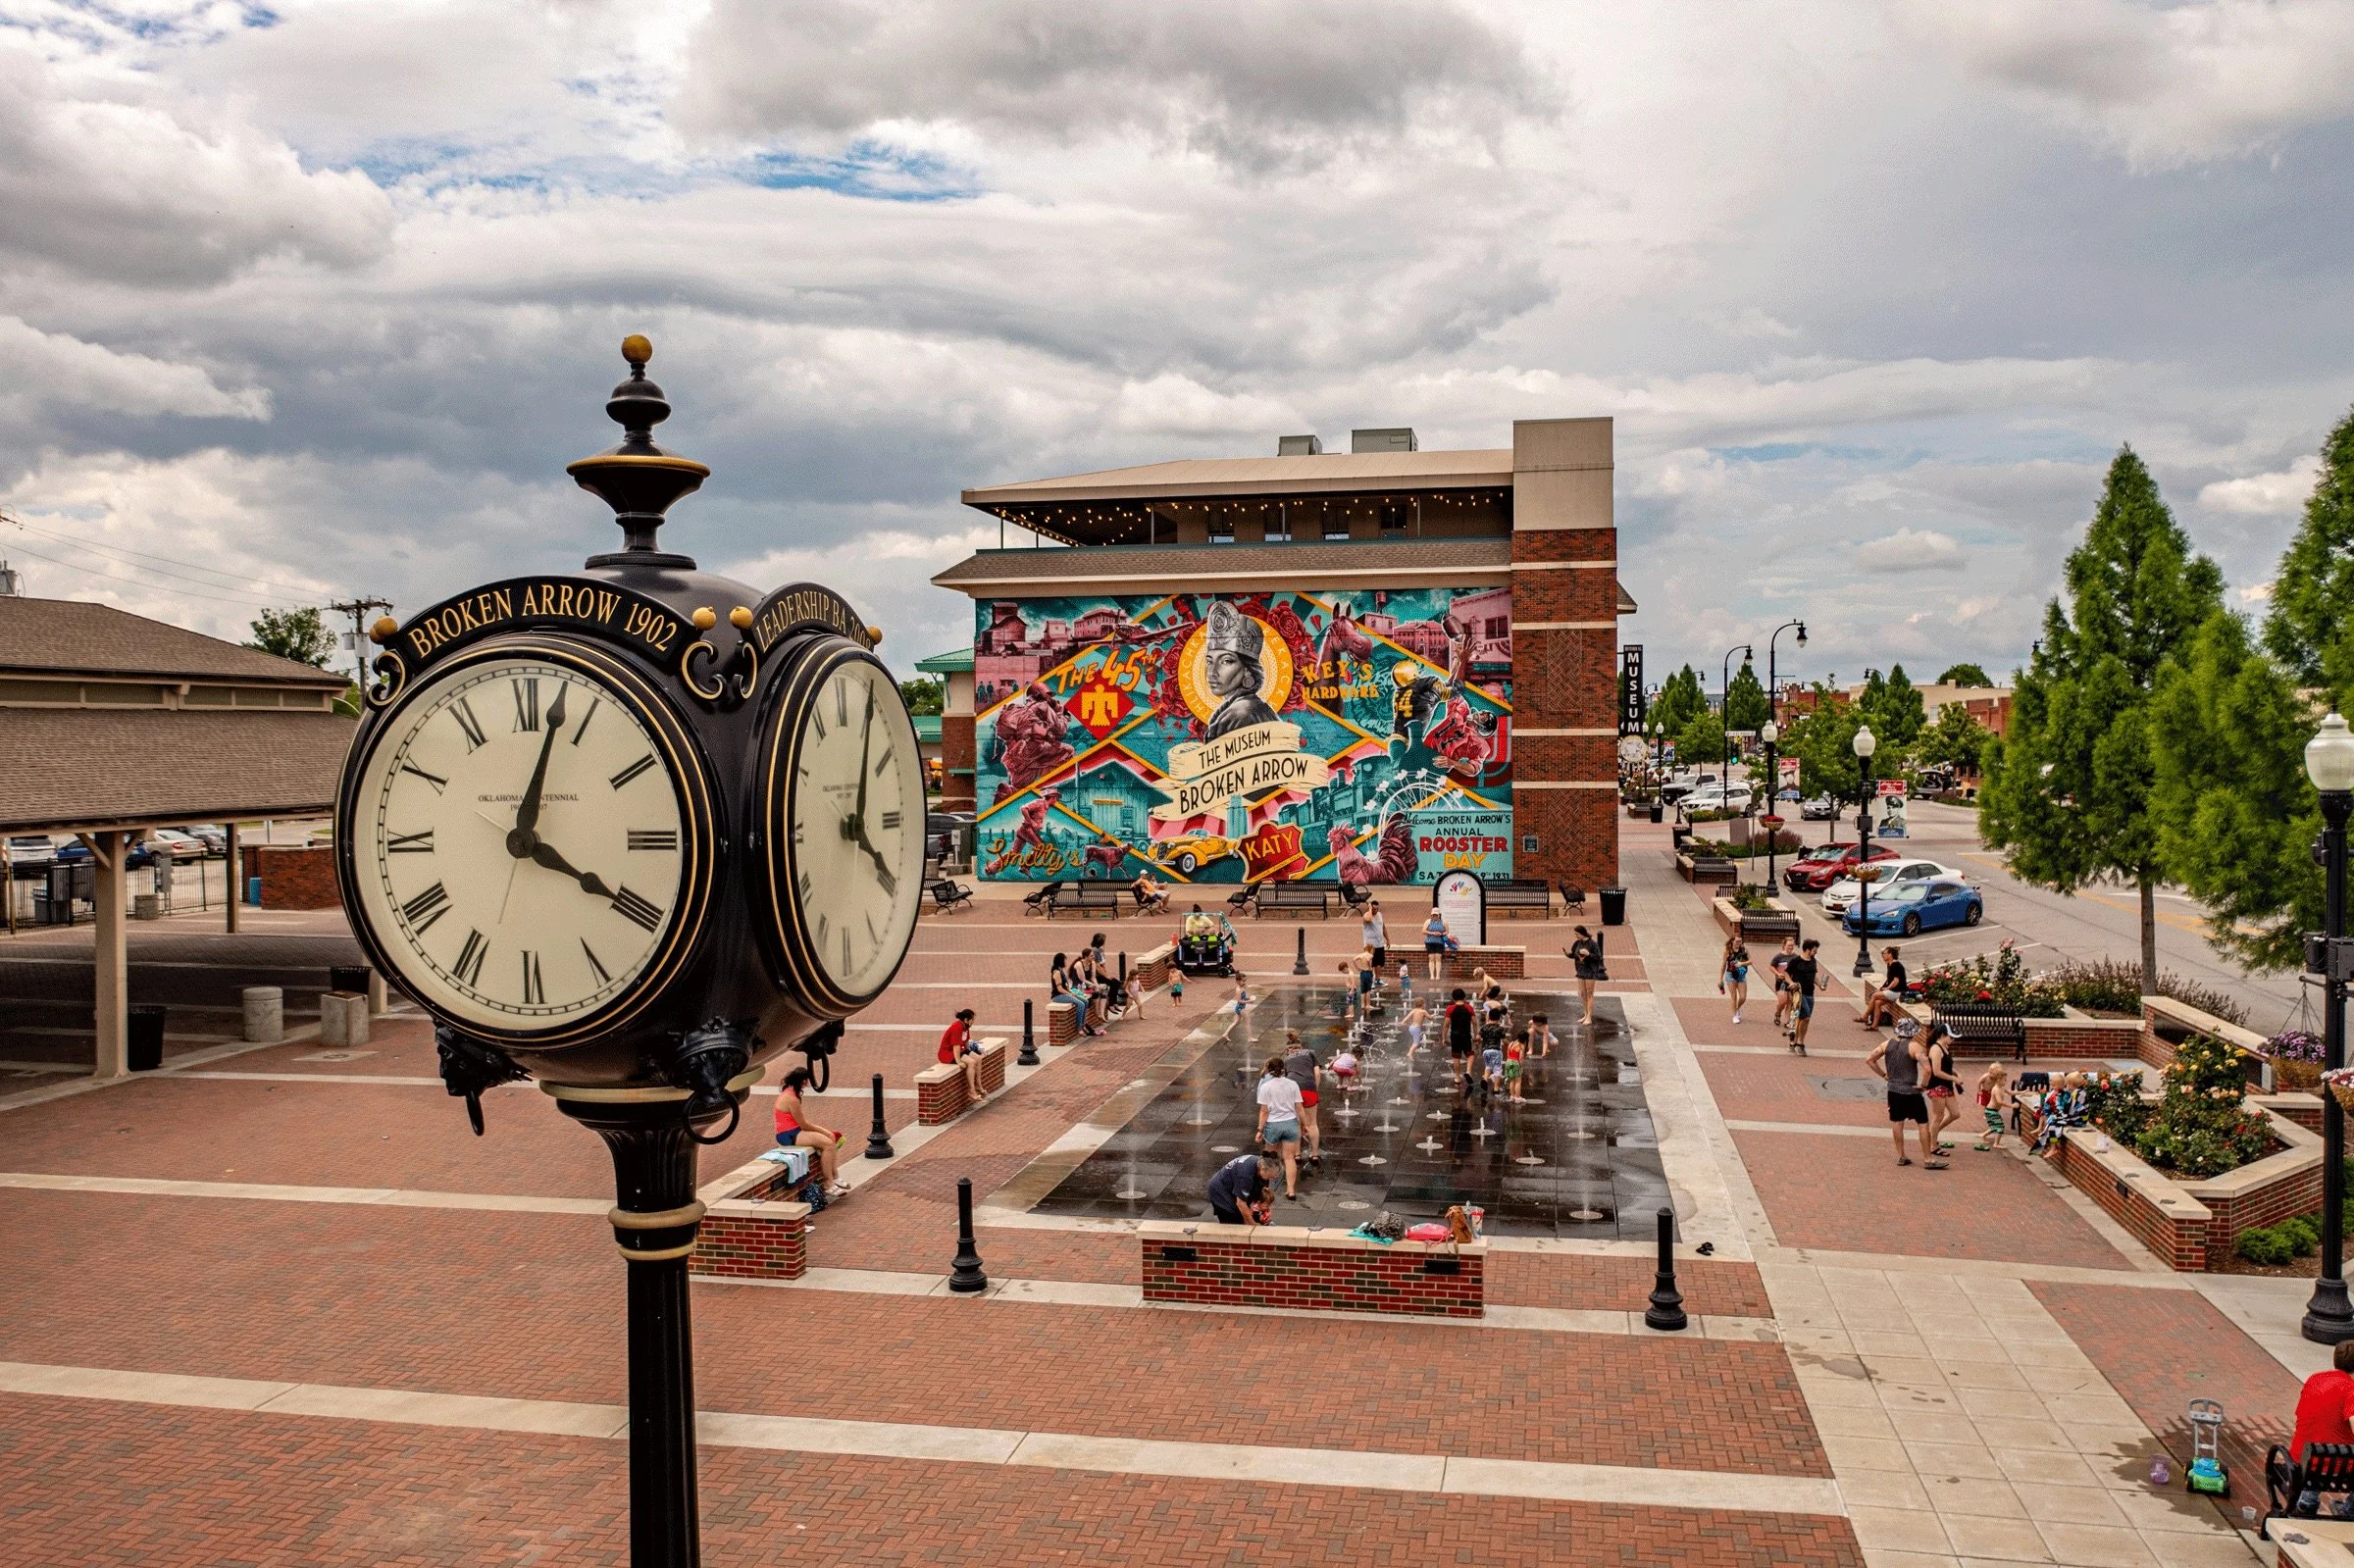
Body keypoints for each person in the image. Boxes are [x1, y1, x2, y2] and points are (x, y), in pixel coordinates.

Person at [1867, 1019, 1943, 1169]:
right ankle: (1928, 1159)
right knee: (1922, 1123)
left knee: (1897, 1122)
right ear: (1913, 1032)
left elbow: (1870, 1060)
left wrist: (1884, 1075)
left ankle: (1902, 1155)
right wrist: (1923, 1085)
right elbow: (1928, 1069)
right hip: (1911, 1090)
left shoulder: (1887, 1044)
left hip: (1893, 1089)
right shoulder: (1915, 1047)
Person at [2291, 1341, 2354, 1516]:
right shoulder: (2351, 1389)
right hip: (2337, 1466)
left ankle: (2307, 1500)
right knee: (2335, 1455)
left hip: (2301, 1456)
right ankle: (2350, 1510)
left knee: (2321, 1448)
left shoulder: (2315, 1379)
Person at [774, 1066, 850, 1195]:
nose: (806, 1084)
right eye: (805, 1081)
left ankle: (835, 1176)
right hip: (788, 1135)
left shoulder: (791, 1092)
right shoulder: (791, 1099)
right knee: (827, 1144)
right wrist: (824, 1131)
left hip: (794, 1131)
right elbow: (804, 1124)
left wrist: (826, 1133)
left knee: (830, 1140)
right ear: (801, 1081)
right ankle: (828, 1182)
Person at [1254, 1053, 1305, 1199]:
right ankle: (1290, 1190)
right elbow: (1299, 1107)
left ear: (1269, 1069)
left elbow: (1264, 1111)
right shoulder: (1293, 1084)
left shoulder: (1266, 1086)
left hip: (1273, 1125)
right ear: (1283, 1069)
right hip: (1290, 1123)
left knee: (1270, 1158)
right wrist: (1305, 1124)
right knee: (1289, 1158)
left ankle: (1267, 1187)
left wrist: (1260, 1130)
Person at [1281, 1029, 1324, 1170]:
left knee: (1296, 1122)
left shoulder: (1286, 1060)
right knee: (1312, 1123)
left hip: (1293, 1089)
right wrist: (1315, 1089)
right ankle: (1315, 1155)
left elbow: (1286, 1079)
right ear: (1301, 1047)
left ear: (1289, 1050)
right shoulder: (1311, 1053)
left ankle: (1297, 1154)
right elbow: (1317, 1073)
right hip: (1309, 1087)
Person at [1205, 1151, 1279, 1227]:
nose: (1272, 1179)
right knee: (1235, 1223)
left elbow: (1264, 1191)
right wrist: (1253, 1226)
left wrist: (1267, 1208)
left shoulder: (1262, 1165)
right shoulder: (1245, 1175)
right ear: (1262, 1169)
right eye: (1270, 1177)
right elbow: (1241, 1203)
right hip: (1221, 1192)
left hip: (1235, 1184)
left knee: (1247, 1213)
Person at [1921, 1021, 1963, 1152]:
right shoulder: (1936, 1049)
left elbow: (1947, 1066)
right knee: (1938, 1116)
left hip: (1947, 1086)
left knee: (1955, 1113)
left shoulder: (1945, 1047)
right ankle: (1933, 1145)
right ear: (1942, 1035)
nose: (1953, 1040)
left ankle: (1933, 1134)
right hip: (1937, 1086)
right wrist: (1953, 1078)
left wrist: (1956, 1073)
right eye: (1951, 1037)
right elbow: (1937, 1071)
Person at [938, 1007, 987, 1104]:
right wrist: (959, 1061)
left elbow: (966, 1044)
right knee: (971, 1062)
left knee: (978, 1058)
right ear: (966, 1020)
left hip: (960, 1050)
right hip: (947, 1053)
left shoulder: (966, 1027)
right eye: (972, 1020)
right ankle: (972, 1091)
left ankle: (978, 1086)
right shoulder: (957, 1027)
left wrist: (974, 1052)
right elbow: (956, 1046)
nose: (973, 1022)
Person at [1049, 952, 1103, 1037]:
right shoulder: (1057, 972)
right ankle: (1079, 1027)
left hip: (1065, 994)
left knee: (1085, 1001)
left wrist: (1072, 992)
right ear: (1061, 961)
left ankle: (1083, 1024)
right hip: (1058, 996)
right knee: (1080, 1004)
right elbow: (1059, 988)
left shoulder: (1061, 970)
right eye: (1065, 960)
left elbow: (1066, 986)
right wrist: (1070, 994)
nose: (1066, 962)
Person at [1784, 938, 1821, 1055]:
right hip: (1799, 994)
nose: (1816, 952)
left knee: (1802, 1019)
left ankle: (1793, 1042)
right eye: (1814, 950)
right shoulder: (1795, 961)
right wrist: (1791, 982)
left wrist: (1820, 985)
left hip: (1810, 993)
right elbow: (1786, 974)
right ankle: (1800, 1043)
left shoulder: (1813, 961)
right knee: (1806, 1017)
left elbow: (1813, 976)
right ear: (1808, 949)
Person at [1862, 946, 1909, 1029]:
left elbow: (1895, 981)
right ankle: (1874, 1025)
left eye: (1884, 953)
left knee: (1874, 996)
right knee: (1877, 1003)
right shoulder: (1889, 965)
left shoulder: (1896, 965)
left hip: (1898, 992)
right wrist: (1881, 988)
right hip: (1892, 991)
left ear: (1890, 954)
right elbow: (1888, 980)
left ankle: (1865, 1016)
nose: (1883, 955)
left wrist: (1887, 988)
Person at [1568, 925, 1604, 1027]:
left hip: (1590, 971)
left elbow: (1598, 957)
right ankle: (1585, 1014)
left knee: (1589, 993)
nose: (1576, 936)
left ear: (1582, 933)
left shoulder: (1593, 944)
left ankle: (1589, 1017)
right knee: (1582, 993)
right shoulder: (1577, 943)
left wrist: (1588, 954)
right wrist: (1569, 955)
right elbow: (1575, 953)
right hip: (1580, 970)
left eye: (1577, 934)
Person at [1973, 1060, 2013, 1152]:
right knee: (2000, 1126)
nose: (2005, 1081)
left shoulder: (1997, 1084)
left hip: (1991, 1099)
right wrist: (2011, 1106)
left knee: (1994, 1125)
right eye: (2004, 1080)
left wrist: (2022, 1092)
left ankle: (1983, 1135)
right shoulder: (1986, 1077)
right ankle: (1996, 1143)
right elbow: (1979, 1082)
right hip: (1986, 1097)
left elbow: (2008, 1091)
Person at [1445, 986, 1477, 1088]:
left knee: (1456, 1056)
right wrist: (1476, 1035)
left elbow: (1446, 1025)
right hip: (1466, 1034)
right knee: (1470, 1054)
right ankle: (1468, 1071)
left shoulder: (1450, 1008)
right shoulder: (1469, 1008)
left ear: (1453, 998)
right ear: (1464, 997)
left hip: (1454, 1035)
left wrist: (1443, 1037)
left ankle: (1458, 1077)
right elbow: (1475, 1023)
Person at [1768, 936, 1799, 1033]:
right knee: (1783, 1001)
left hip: (1791, 982)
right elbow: (1771, 966)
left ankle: (1787, 1021)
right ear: (1784, 945)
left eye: (1792, 945)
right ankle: (1778, 1013)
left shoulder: (1795, 957)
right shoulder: (1779, 956)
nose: (1791, 947)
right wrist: (1777, 973)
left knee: (1790, 1001)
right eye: (1789, 945)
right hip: (1781, 982)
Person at [1719, 936, 1751, 1025]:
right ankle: (1735, 1015)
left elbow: (1751, 961)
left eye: (1740, 941)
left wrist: (1742, 963)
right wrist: (1720, 979)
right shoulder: (1728, 952)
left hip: (1741, 975)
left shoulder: (1744, 950)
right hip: (1730, 975)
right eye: (1737, 941)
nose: (1738, 943)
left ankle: (1737, 1008)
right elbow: (1723, 965)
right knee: (1733, 996)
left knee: (1743, 997)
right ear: (1732, 941)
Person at [1422, 905, 1450, 981]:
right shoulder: (1428, 922)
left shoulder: (1444, 922)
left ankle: (1437, 975)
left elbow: (1447, 931)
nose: (1434, 916)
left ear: (1439, 915)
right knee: (1431, 958)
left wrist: (1441, 934)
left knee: (1438, 958)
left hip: (1439, 942)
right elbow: (1423, 931)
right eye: (1433, 915)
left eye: (1436, 915)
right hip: (1430, 942)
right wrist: (1433, 933)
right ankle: (1432, 975)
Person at [1362, 900, 1389, 973]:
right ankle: (1371, 980)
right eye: (1374, 909)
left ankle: (1378, 979)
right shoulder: (1366, 915)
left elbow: (1383, 927)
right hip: (1370, 945)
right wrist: (1370, 909)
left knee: (1379, 963)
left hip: (1379, 943)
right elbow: (1368, 920)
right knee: (1370, 963)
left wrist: (1387, 939)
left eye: (1377, 909)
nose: (1376, 911)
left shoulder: (1379, 915)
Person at [1504, 1032, 1526, 1102]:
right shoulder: (1521, 1045)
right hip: (1516, 1062)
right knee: (1518, 1081)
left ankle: (1512, 1096)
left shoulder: (1511, 1043)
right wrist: (1521, 1066)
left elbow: (1508, 1054)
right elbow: (1521, 1058)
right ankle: (1518, 1097)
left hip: (1508, 1061)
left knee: (1512, 1080)